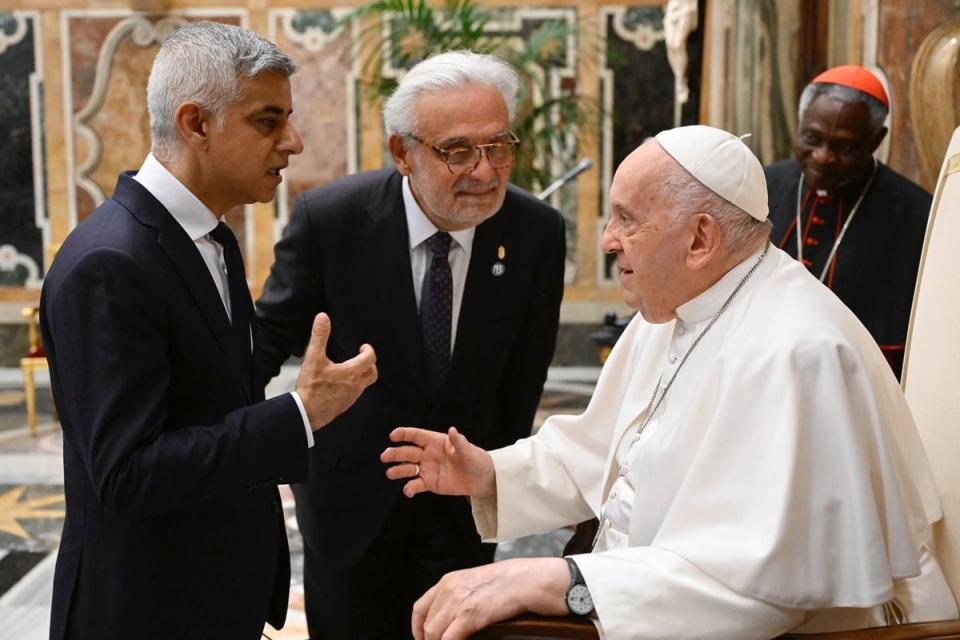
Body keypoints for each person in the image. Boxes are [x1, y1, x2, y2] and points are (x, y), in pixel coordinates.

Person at [382, 125, 959, 640]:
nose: (607, 241)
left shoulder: (798, 354)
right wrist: (491, 473)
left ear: (701, 239)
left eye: (627, 218)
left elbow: (754, 591)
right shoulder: (674, 308)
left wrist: (564, 581)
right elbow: (601, 454)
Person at [40, 22, 378, 640]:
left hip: (212, 598)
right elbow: (127, 474)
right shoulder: (110, 264)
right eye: (267, 121)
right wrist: (298, 415)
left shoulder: (211, 238)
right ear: (196, 124)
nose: (294, 142)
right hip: (145, 611)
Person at [255, 50, 566, 638]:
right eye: (457, 151)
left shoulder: (535, 232)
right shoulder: (331, 219)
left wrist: (492, 475)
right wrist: (236, 441)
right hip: (350, 510)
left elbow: (524, 375)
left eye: (498, 146)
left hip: (462, 511)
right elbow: (266, 341)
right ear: (403, 152)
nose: (485, 170)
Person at [766, 64, 932, 378]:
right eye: (812, 138)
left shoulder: (915, 214)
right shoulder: (762, 186)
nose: (823, 156)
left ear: (875, 140)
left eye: (843, 146)